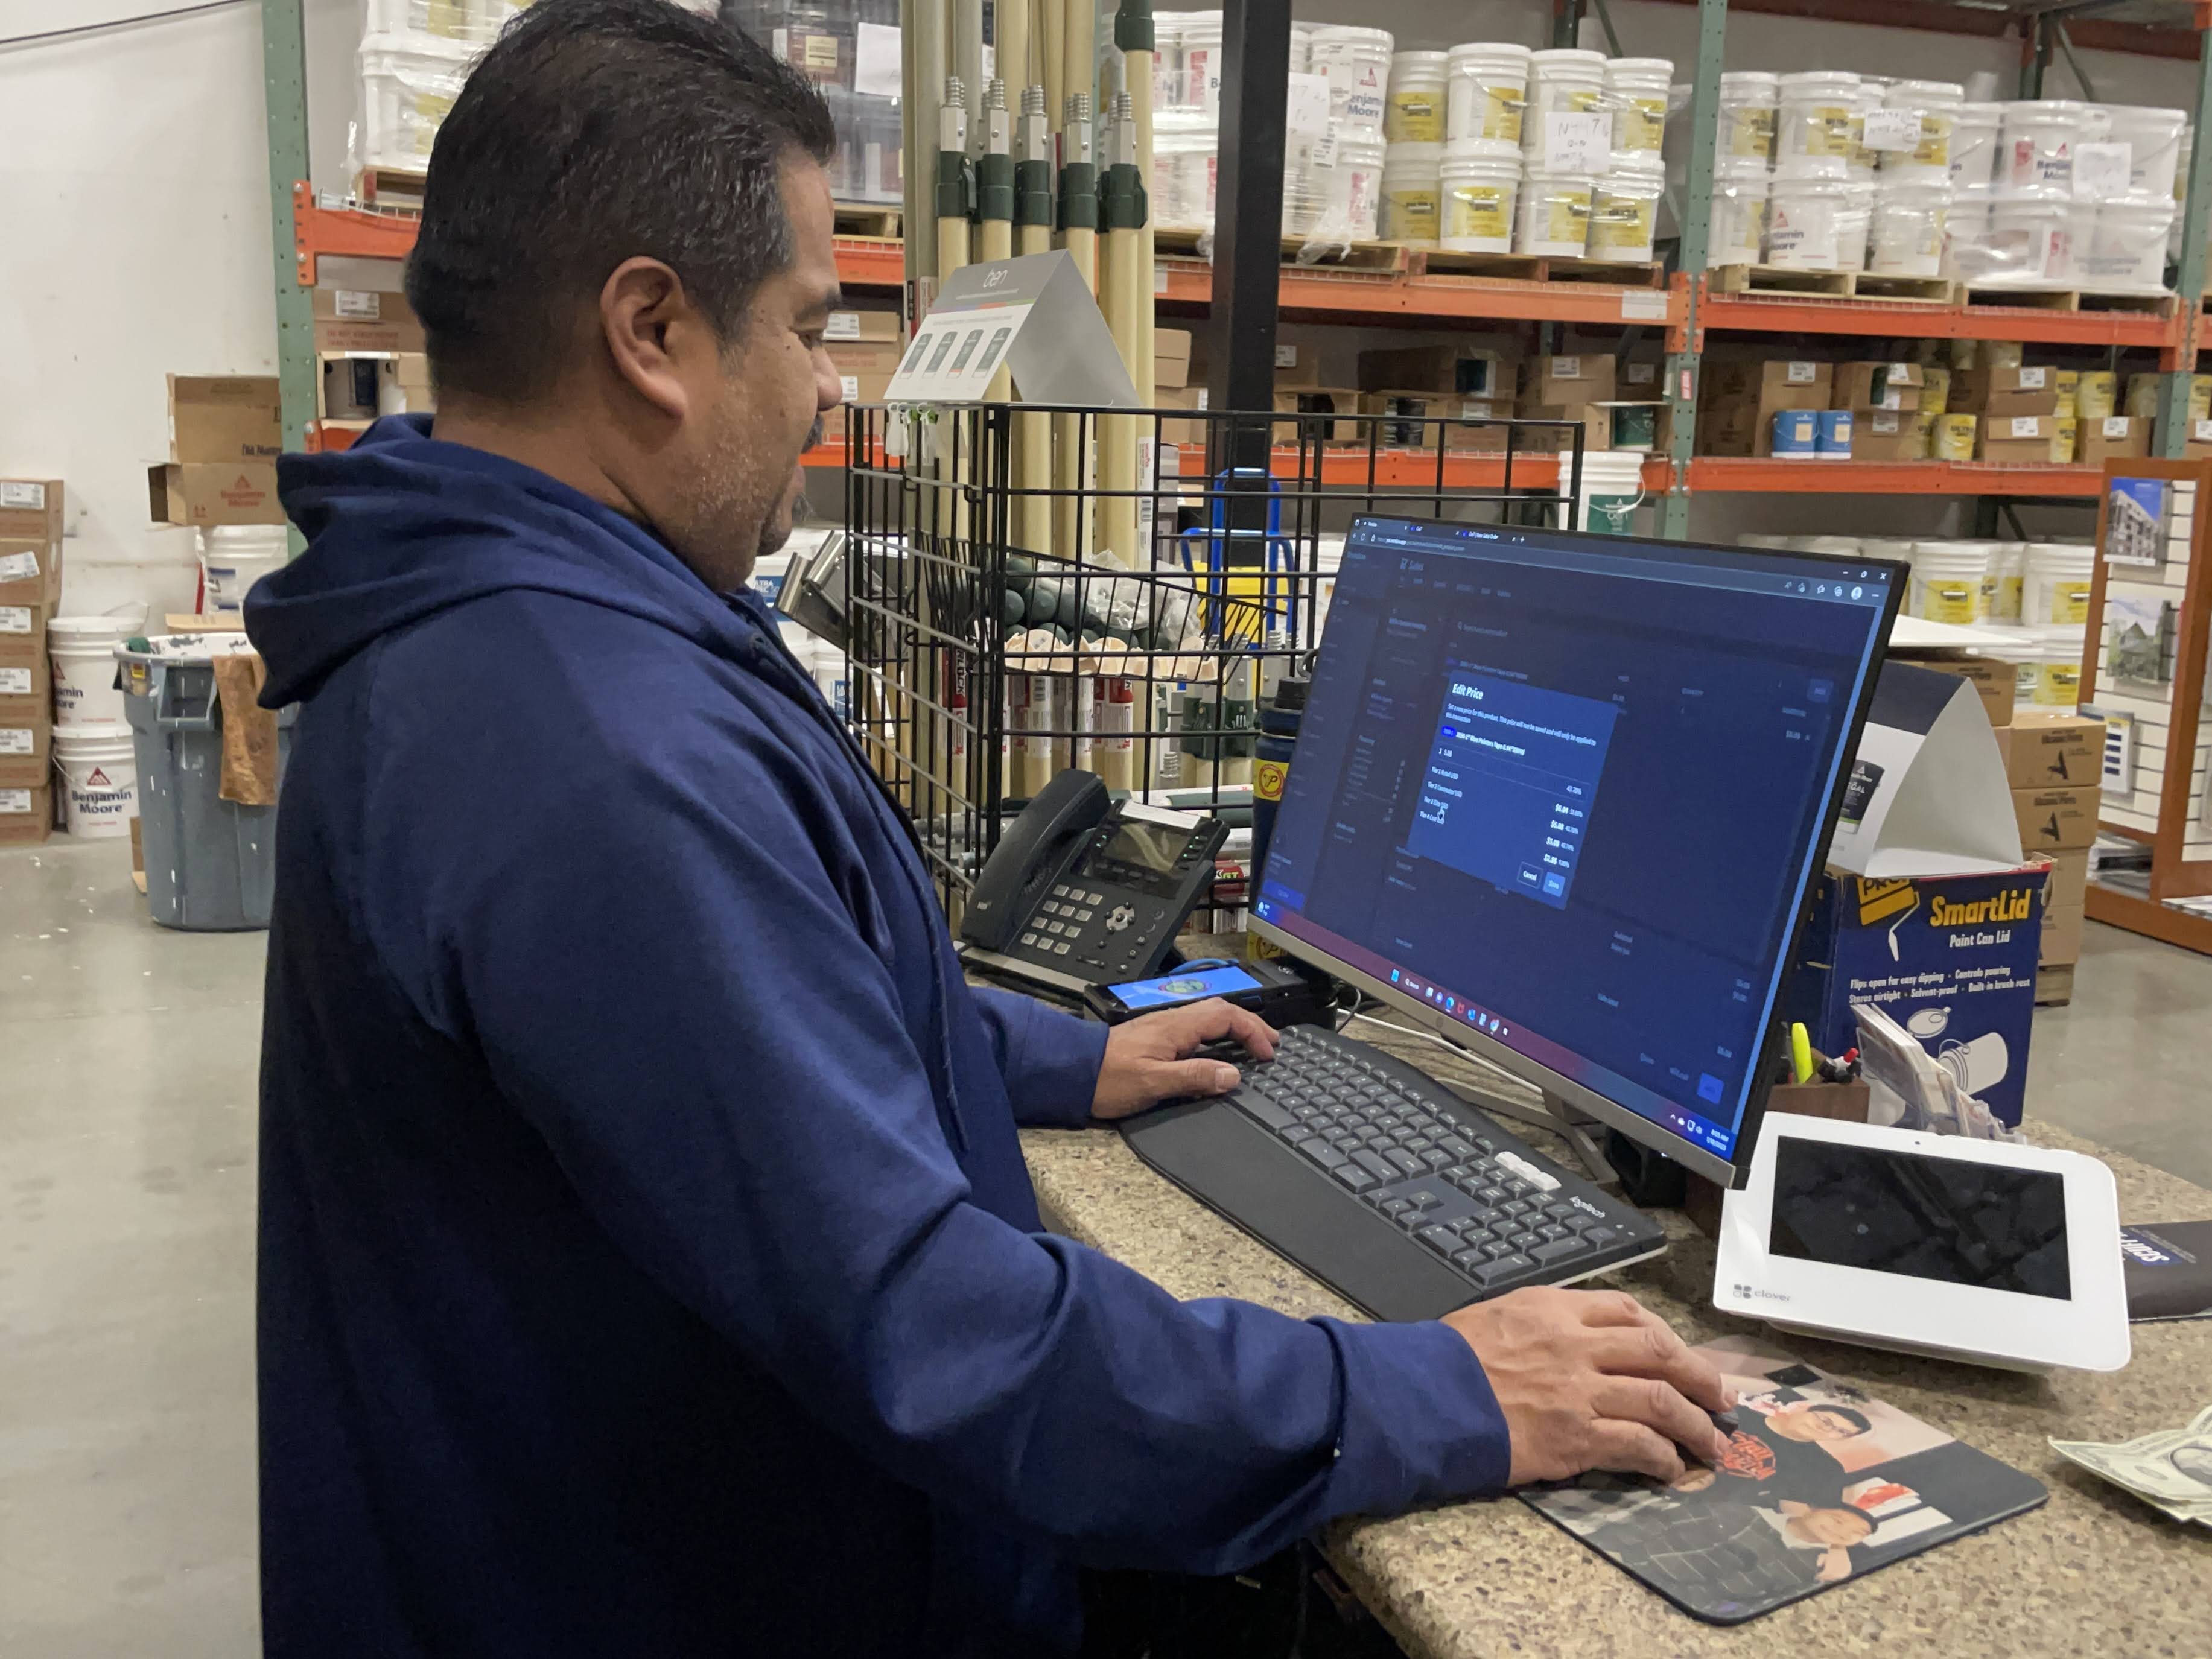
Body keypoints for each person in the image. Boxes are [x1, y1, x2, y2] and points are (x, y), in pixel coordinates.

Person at [244, 3, 1732, 1655]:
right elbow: (935, 1335)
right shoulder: (591, 748)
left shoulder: (521, 616)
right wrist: (1431, 1390)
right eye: (811, 326)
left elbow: (747, 1020)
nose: (830, 387)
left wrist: (1051, 1059)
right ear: (652, 330)